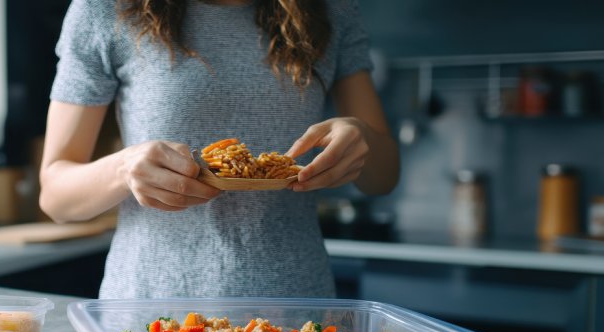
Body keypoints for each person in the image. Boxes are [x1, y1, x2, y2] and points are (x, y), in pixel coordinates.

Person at [40, 0, 399, 299]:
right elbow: (56, 196)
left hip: (297, 312)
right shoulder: (105, 9)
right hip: (153, 314)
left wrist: (362, 138)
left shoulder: (331, 10)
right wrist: (124, 168)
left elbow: (384, 178)